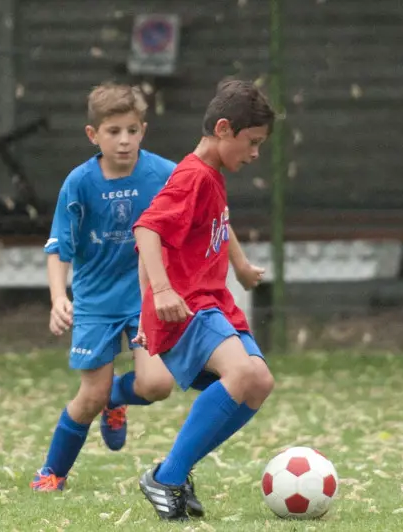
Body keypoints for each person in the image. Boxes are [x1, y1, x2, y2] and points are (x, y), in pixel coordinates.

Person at [133, 79, 276, 521]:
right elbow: (147, 229)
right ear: (223, 129)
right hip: (189, 305)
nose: (255, 154)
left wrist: (241, 265)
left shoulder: (211, 175)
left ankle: (175, 472)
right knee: (238, 373)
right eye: (252, 143)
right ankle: (167, 477)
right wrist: (159, 293)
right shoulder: (192, 175)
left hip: (214, 301)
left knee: (258, 381)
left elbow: (219, 222)